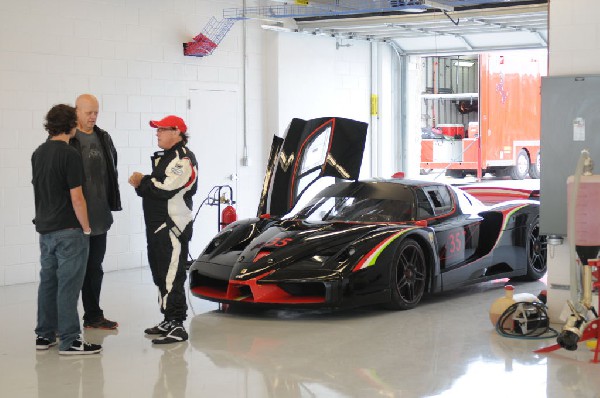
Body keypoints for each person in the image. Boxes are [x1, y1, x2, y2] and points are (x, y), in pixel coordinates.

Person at [32, 104, 102, 355]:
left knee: (48, 282)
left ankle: (44, 335)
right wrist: (86, 228)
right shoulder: (70, 154)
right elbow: (77, 198)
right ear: (71, 124)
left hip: (46, 228)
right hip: (69, 229)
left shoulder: (38, 152)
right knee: (68, 285)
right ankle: (71, 340)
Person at [128, 115, 198, 344]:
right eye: (157, 129)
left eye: (161, 129)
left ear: (177, 132)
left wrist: (142, 182)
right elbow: (156, 187)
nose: (157, 133)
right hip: (157, 226)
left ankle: (177, 324)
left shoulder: (183, 159)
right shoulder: (166, 157)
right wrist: (145, 183)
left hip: (173, 227)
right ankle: (168, 319)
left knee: (172, 276)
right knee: (160, 274)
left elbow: (165, 188)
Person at [70, 94, 121, 330]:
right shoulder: (68, 140)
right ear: (76, 111)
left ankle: (93, 316)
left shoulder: (103, 137)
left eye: (96, 112)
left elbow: (112, 170)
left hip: (99, 216)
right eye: (89, 112)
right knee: (72, 272)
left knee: (94, 269)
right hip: (74, 218)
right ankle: (64, 323)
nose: (93, 117)